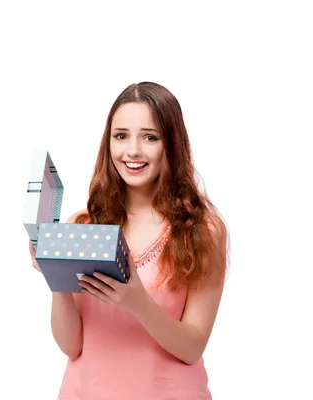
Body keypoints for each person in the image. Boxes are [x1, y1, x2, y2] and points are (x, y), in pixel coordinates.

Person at [27, 82, 229, 399]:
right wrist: (55, 275)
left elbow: (192, 347)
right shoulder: (83, 225)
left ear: (171, 144)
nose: (132, 150)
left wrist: (138, 304)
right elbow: (72, 345)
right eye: (121, 136)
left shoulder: (203, 230)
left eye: (149, 137)